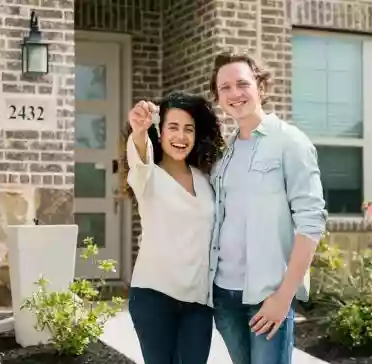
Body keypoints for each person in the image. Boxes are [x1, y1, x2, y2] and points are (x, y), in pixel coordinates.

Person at [207, 52, 328, 364]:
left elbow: (311, 222)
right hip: (224, 295)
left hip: (268, 296)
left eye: (243, 84)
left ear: (260, 86)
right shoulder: (225, 153)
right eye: (225, 88)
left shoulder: (291, 142)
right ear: (218, 97)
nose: (235, 94)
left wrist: (284, 296)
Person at [123, 91, 224, 364]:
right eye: (173, 128)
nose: (181, 137)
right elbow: (140, 153)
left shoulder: (205, 179)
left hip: (198, 302)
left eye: (188, 129)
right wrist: (139, 130)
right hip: (154, 297)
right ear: (160, 131)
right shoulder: (148, 175)